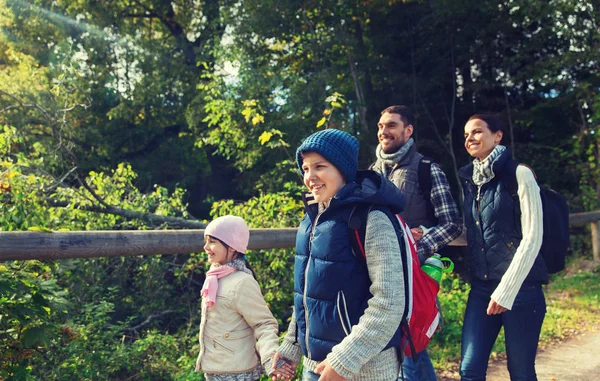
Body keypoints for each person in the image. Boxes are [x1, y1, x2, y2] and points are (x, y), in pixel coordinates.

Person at [270, 128, 406, 381]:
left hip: (364, 368)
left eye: (320, 166)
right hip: (317, 366)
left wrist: (345, 360)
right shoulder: (310, 221)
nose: (310, 176)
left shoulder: (371, 218)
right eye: (306, 168)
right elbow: (307, 297)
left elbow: (390, 302)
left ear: (342, 169)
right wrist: (290, 346)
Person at [372, 105, 462, 381]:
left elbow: (452, 224)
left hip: (415, 275)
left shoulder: (426, 169)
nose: (383, 131)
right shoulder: (371, 173)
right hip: (378, 275)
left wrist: (415, 245)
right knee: (400, 346)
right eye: (380, 126)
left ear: (407, 131)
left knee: (410, 342)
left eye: (391, 125)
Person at [458, 114, 547, 381]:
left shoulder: (520, 173)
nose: (469, 138)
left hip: (522, 290)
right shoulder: (470, 180)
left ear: (497, 136)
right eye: (465, 135)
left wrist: (506, 290)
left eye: (476, 131)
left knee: (520, 372)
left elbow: (533, 237)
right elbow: (476, 232)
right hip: (483, 288)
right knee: (469, 370)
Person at [195, 215, 294, 381]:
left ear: (232, 247)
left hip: (237, 374)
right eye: (206, 241)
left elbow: (264, 324)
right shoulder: (214, 277)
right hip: (214, 371)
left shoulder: (242, 282)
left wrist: (271, 360)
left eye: (212, 241)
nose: (206, 247)